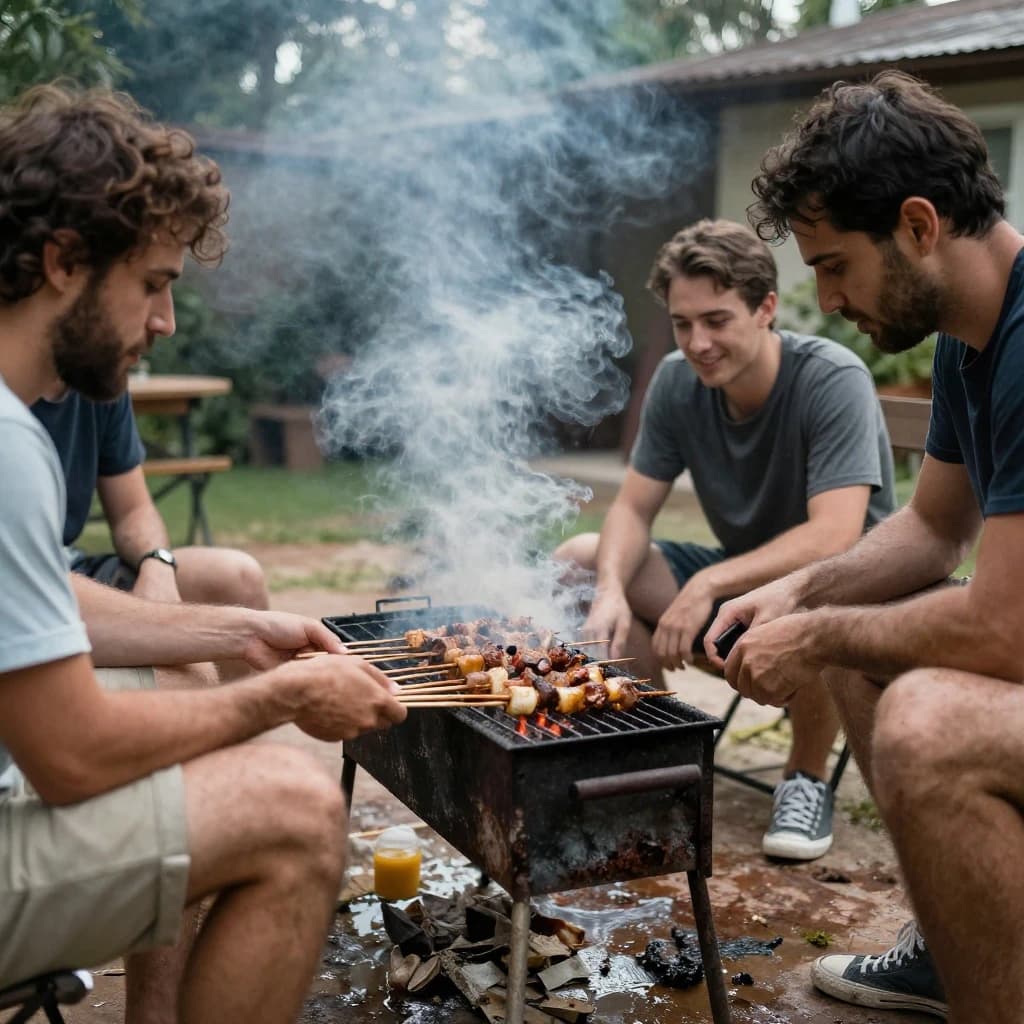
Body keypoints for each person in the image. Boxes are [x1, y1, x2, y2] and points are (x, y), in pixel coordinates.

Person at [0, 82, 406, 1024]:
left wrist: (241, 626)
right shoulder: (10, 443)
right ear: (65, 260)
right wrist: (281, 696)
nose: (165, 322)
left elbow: (47, 596)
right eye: (154, 284)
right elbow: (71, 755)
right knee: (300, 809)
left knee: (190, 704)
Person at [704, 70, 1024, 1022]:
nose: (827, 297)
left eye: (835, 264)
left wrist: (816, 633)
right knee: (853, 625)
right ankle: (961, 938)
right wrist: (800, 596)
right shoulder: (975, 343)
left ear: (919, 226)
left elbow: (1005, 630)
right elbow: (931, 531)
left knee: (928, 719)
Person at [554, 218, 896, 861]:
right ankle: (655, 753)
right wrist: (609, 592)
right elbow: (631, 505)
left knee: (811, 602)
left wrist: (707, 584)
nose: (698, 342)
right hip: (745, 583)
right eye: (683, 325)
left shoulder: (831, 377)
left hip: (849, 590)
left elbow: (835, 535)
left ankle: (804, 777)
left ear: (766, 308)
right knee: (579, 561)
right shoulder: (679, 381)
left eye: (716, 320)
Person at [32, 385, 269, 610]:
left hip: (69, 567)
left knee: (239, 579)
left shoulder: (100, 384)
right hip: (25, 586)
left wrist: (157, 565)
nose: (164, 338)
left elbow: (132, 510)